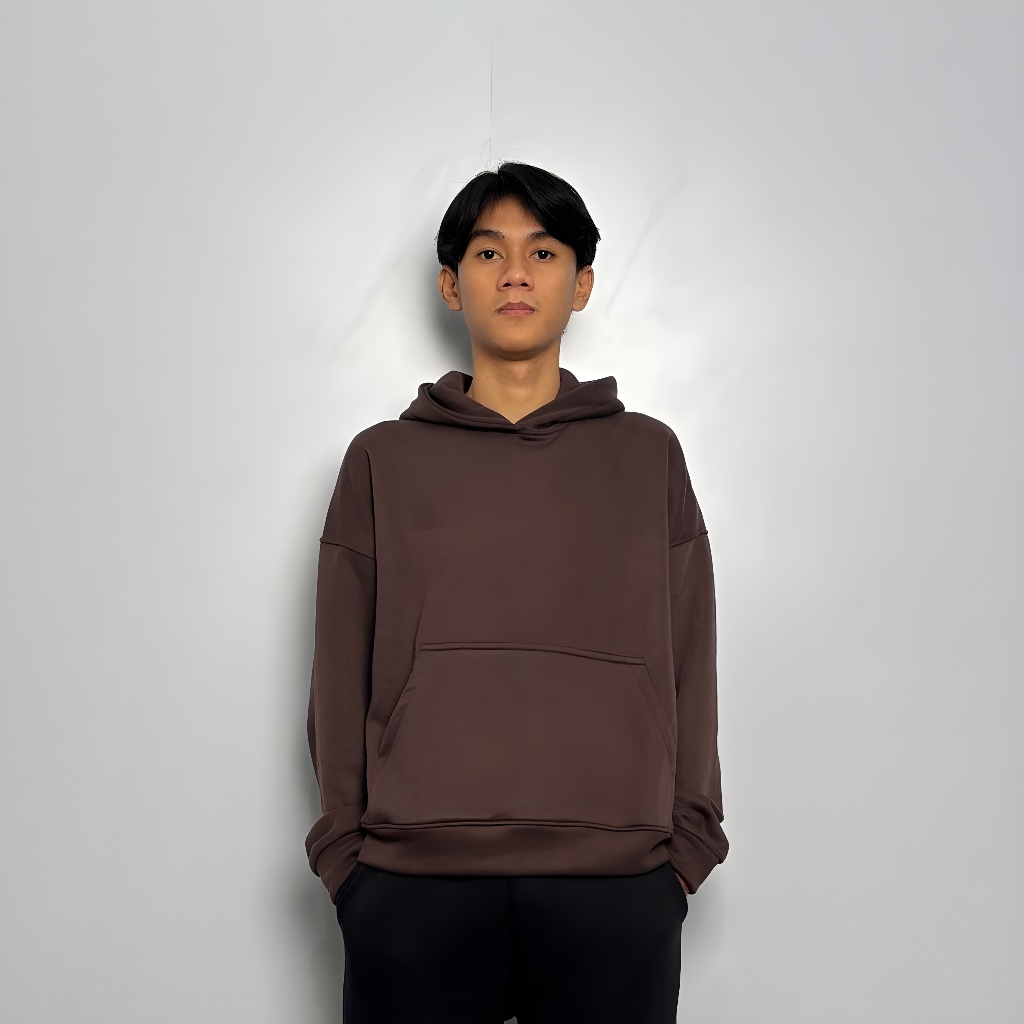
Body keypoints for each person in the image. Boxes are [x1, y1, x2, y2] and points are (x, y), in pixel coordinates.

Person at [304, 161, 728, 1023]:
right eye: (489, 252)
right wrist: (346, 857)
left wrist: (687, 846)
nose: (516, 274)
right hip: (411, 886)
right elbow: (339, 667)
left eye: (543, 252)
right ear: (451, 284)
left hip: (617, 887)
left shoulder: (648, 456)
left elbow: (691, 651)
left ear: (582, 284)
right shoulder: (383, 458)